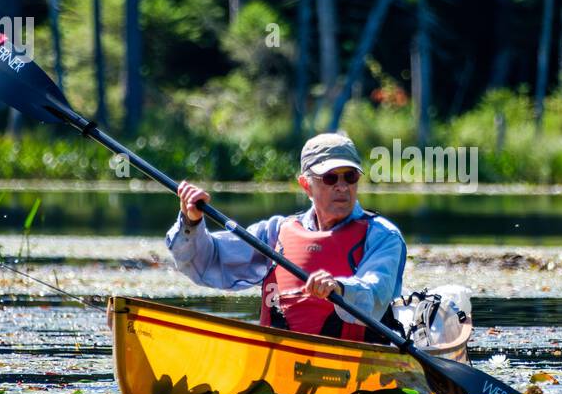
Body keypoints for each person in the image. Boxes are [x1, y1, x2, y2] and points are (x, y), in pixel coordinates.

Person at [166, 133, 407, 342]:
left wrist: (340, 287)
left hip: (355, 364)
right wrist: (192, 221)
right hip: (277, 361)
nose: (342, 186)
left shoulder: (382, 236)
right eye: (330, 178)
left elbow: (376, 292)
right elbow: (206, 262)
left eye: (350, 177)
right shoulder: (275, 232)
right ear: (306, 185)